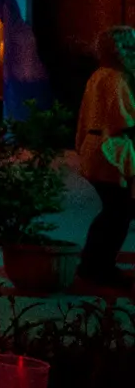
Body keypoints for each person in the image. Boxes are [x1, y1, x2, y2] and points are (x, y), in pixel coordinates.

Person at [76, 26, 135, 289]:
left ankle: (94, 264)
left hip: (97, 147)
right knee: (118, 211)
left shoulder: (99, 76)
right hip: (110, 149)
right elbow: (124, 118)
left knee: (115, 210)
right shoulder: (116, 79)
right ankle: (99, 266)